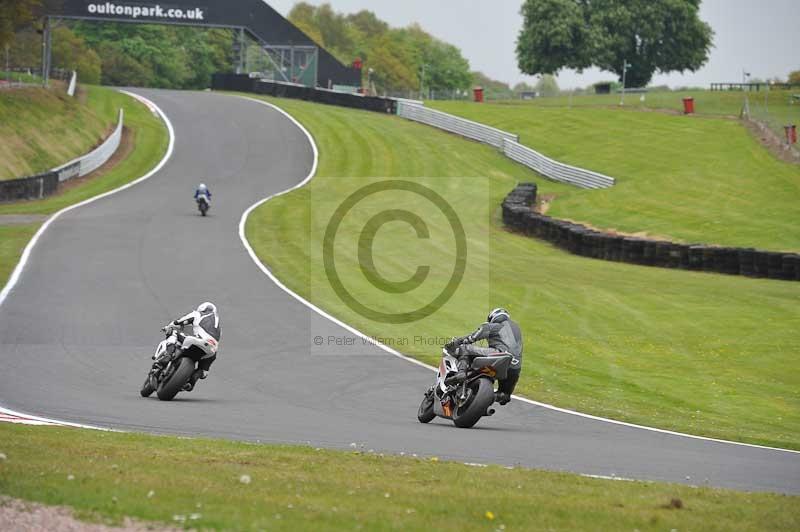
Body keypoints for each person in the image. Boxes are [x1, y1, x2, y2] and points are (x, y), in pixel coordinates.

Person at [447, 308, 523, 405]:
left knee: (465, 348)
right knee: (504, 396)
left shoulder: (493, 326)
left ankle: (461, 373)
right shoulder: (516, 329)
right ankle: (484, 400)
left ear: (492, 317)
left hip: (499, 354)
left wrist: (456, 342)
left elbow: (471, 338)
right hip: (515, 367)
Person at [154, 302, 221, 392]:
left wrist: (169, 326)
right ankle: (192, 381)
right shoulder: (218, 326)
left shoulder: (198, 314)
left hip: (198, 341)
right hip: (212, 350)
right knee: (203, 371)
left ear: (202, 309)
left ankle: (167, 356)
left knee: (173, 332)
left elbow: (180, 321)